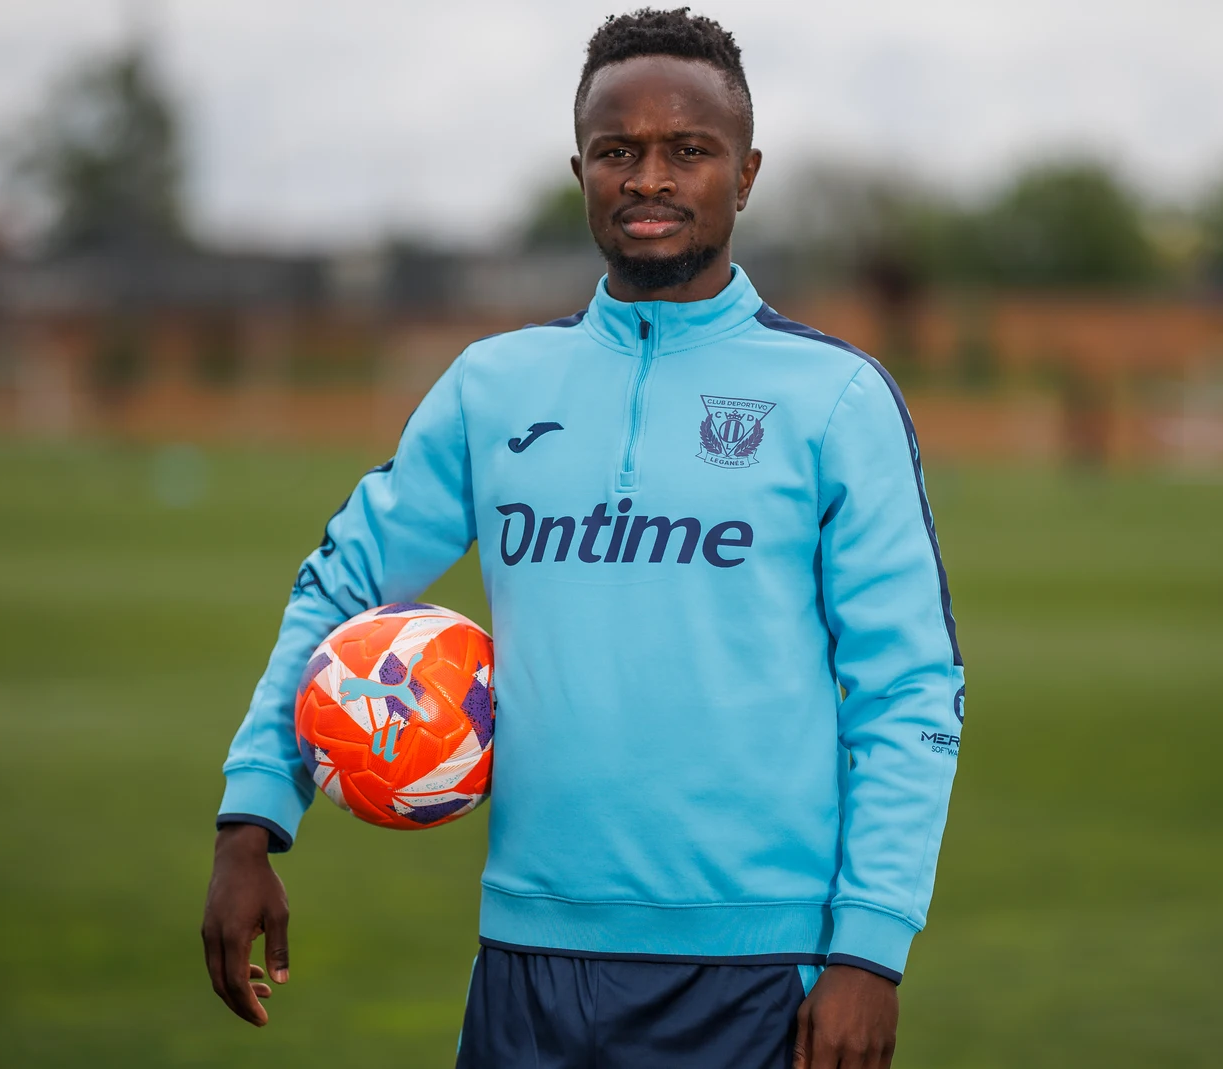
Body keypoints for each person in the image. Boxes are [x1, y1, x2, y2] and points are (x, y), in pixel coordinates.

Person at [201, 9, 965, 1067]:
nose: (648, 177)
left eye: (686, 150)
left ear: (743, 174)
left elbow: (909, 686)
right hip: (528, 958)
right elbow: (341, 589)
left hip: (758, 972)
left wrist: (869, 951)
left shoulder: (834, 398)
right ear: (581, 171)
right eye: (619, 152)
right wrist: (251, 820)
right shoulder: (491, 388)